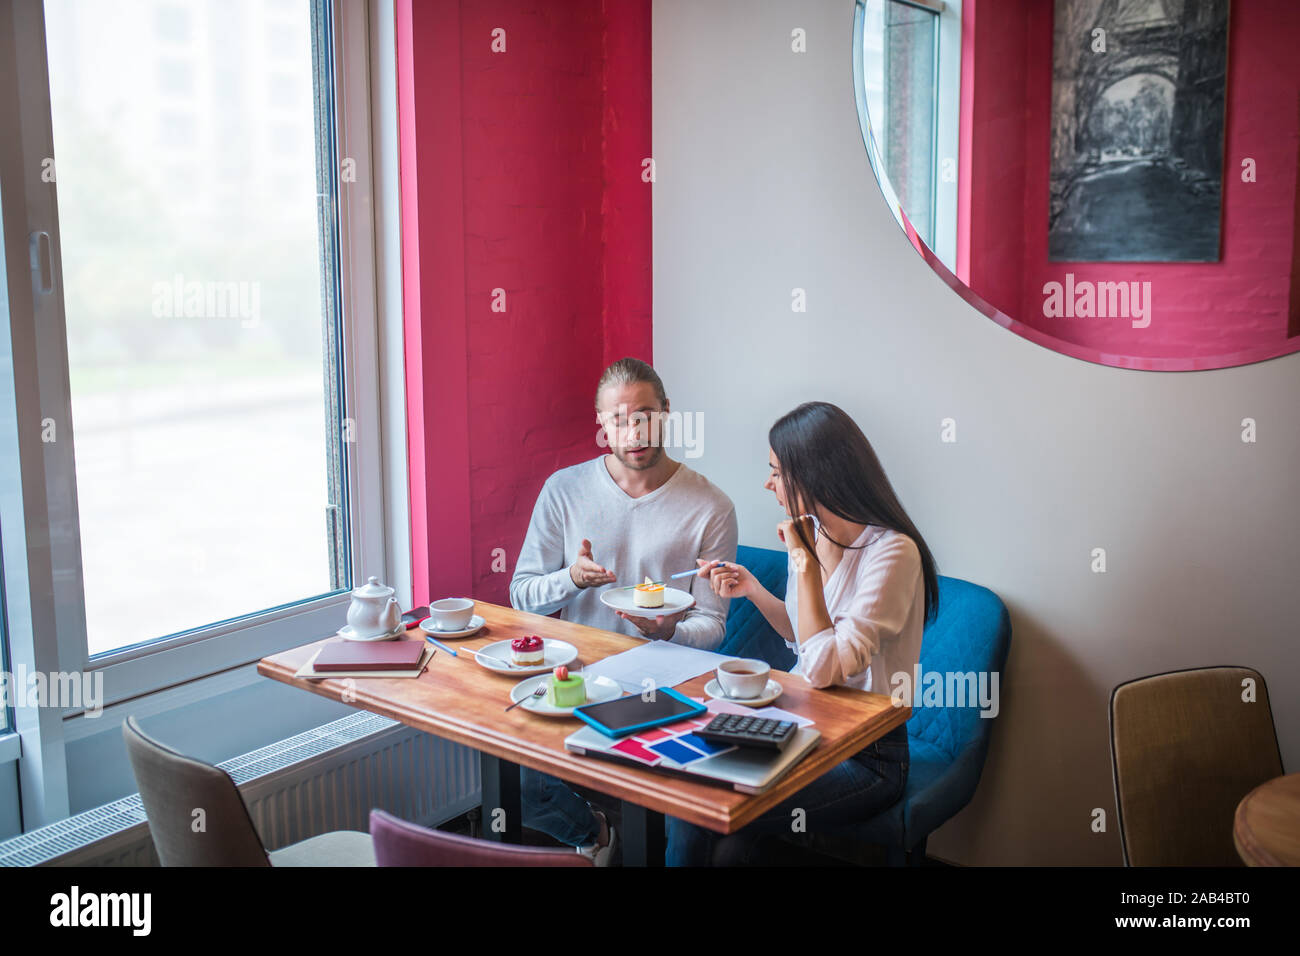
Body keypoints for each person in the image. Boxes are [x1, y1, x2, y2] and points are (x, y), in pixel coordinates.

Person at [666, 401, 940, 866]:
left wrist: (804, 562)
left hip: (867, 756)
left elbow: (820, 666)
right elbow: (805, 634)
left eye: (775, 471)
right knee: (699, 795)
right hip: (798, 726)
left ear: (813, 474)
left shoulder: (893, 553)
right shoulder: (811, 532)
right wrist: (752, 589)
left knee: (705, 808)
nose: (767, 483)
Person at [509, 357, 738, 864]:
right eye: (617, 419)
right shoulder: (564, 490)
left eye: (643, 415)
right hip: (578, 677)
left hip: (665, 689)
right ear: (601, 424)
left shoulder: (710, 506)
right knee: (520, 785)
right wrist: (570, 578)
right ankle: (592, 831)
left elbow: (713, 625)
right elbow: (521, 594)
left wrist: (668, 632)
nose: (632, 431)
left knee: (681, 831)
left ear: (666, 414)